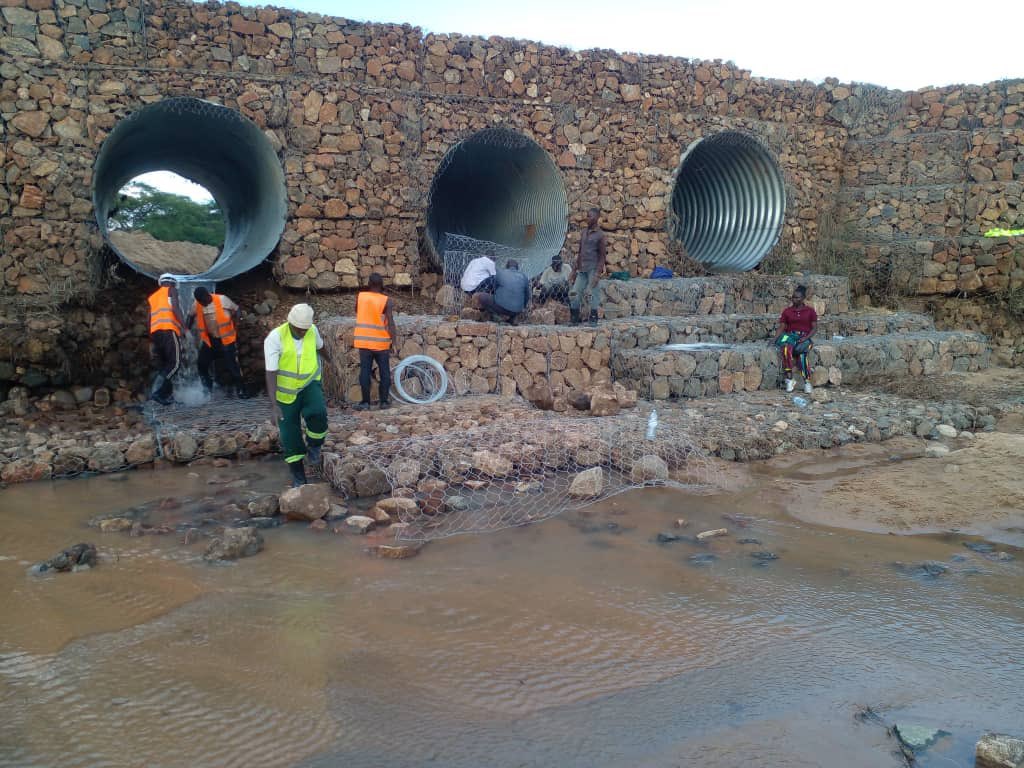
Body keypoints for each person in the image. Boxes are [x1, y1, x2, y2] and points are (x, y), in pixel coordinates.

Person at [265, 303, 332, 487]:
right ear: (291, 323)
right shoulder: (275, 338)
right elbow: (270, 372)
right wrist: (273, 405)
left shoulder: (312, 330)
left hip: (309, 384)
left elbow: (320, 347)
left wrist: (330, 360)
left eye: (306, 329)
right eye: (300, 329)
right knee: (289, 434)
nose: (303, 332)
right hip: (285, 394)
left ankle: (314, 446)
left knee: (318, 413)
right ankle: (298, 476)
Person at [191, 286, 248, 398]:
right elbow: (190, 316)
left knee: (232, 365)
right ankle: (207, 389)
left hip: (226, 339)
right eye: (199, 302)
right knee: (201, 364)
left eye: (203, 301)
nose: (202, 304)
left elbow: (237, 310)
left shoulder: (222, 299)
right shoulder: (197, 304)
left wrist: (238, 322)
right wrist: (186, 330)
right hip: (210, 340)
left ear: (207, 296)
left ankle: (241, 390)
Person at [354, 273, 398, 411]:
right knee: (384, 371)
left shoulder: (361, 297)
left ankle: (365, 403)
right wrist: (394, 342)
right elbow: (391, 322)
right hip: (381, 343)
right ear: (381, 284)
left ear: (369, 282)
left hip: (364, 342)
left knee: (365, 372)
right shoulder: (386, 300)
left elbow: (356, 310)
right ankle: (383, 402)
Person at [773, 285, 818, 394]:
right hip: (791, 336)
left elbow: (815, 328)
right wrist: (774, 339)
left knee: (802, 353)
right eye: (793, 297)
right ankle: (789, 379)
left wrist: (805, 338)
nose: (794, 299)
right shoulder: (787, 311)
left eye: (797, 297)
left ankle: (807, 382)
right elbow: (782, 327)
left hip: (805, 337)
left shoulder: (810, 311)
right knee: (785, 348)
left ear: (803, 298)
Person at [147, 273, 184, 405]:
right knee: (175, 363)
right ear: (172, 283)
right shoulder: (171, 290)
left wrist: (151, 338)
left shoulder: (153, 297)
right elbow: (175, 308)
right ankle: (158, 392)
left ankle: (166, 395)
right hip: (168, 329)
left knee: (165, 364)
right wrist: (184, 327)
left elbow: (149, 319)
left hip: (156, 334)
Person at [570, 207, 607, 325]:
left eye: (589, 216)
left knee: (592, 294)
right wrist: (574, 270)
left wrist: (597, 274)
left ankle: (593, 319)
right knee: (574, 293)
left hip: (593, 269)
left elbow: (602, 257)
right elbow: (580, 252)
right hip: (582, 269)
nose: (587, 218)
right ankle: (574, 319)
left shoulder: (600, 235)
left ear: (596, 218)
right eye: (587, 215)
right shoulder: (584, 232)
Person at [477, 259, 530, 323]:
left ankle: (496, 317)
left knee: (482, 297)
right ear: (517, 268)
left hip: (501, 308)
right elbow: (527, 296)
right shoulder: (524, 277)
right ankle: (512, 319)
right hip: (517, 310)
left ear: (506, 266)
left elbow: (495, 289)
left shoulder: (500, 272)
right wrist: (521, 307)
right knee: (516, 303)